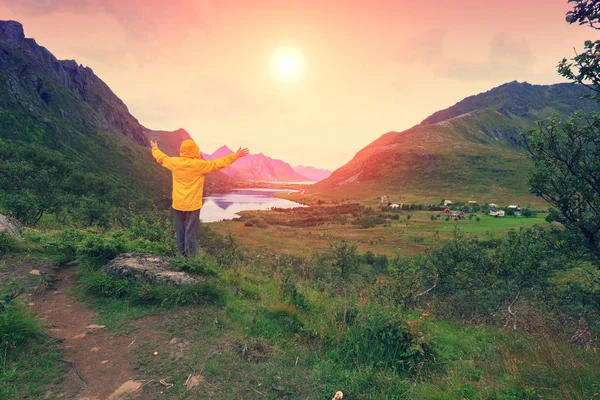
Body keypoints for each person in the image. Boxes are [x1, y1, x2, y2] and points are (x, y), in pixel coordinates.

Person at [150, 139, 249, 257]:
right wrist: (236, 156)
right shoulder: (200, 165)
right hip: (193, 206)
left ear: (182, 150)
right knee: (191, 233)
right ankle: (191, 260)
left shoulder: (174, 162)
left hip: (178, 204)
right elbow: (218, 163)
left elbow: (162, 158)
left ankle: (181, 257)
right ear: (195, 150)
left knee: (180, 232)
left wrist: (155, 148)